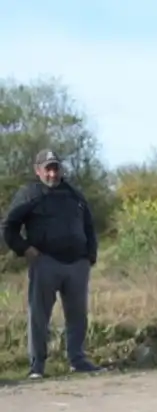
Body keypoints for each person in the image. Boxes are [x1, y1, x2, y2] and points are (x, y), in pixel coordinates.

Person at [2, 149, 101, 379]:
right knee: (39, 316)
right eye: (48, 169)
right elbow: (8, 227)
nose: (53, 174)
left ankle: (77, 360)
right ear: (38, 171)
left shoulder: (74, 194)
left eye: (56, 168)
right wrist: (24, 248)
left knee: (77, 315)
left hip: (77, 264)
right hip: (45, 262)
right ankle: (37, 366)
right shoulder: (29, 194)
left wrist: (89, 256)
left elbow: (89, 226)